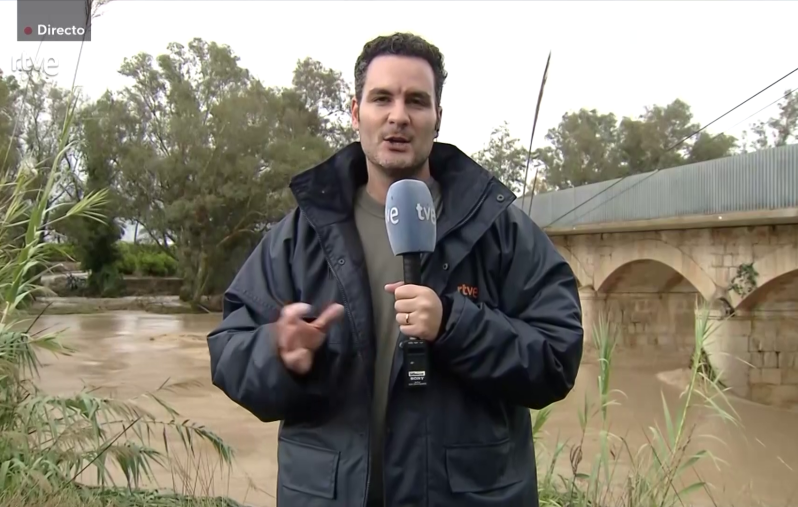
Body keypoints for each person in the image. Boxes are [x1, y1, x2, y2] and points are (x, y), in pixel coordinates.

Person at [207, 32, 584, 507]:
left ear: (437, 118)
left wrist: (454, 325)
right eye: (382, 98)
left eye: (417, 101)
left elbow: (557, 356)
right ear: (355, 112)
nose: (398, 115)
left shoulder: (498, 228)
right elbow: (228, 349)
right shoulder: (303, 233)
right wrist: (277, 352)